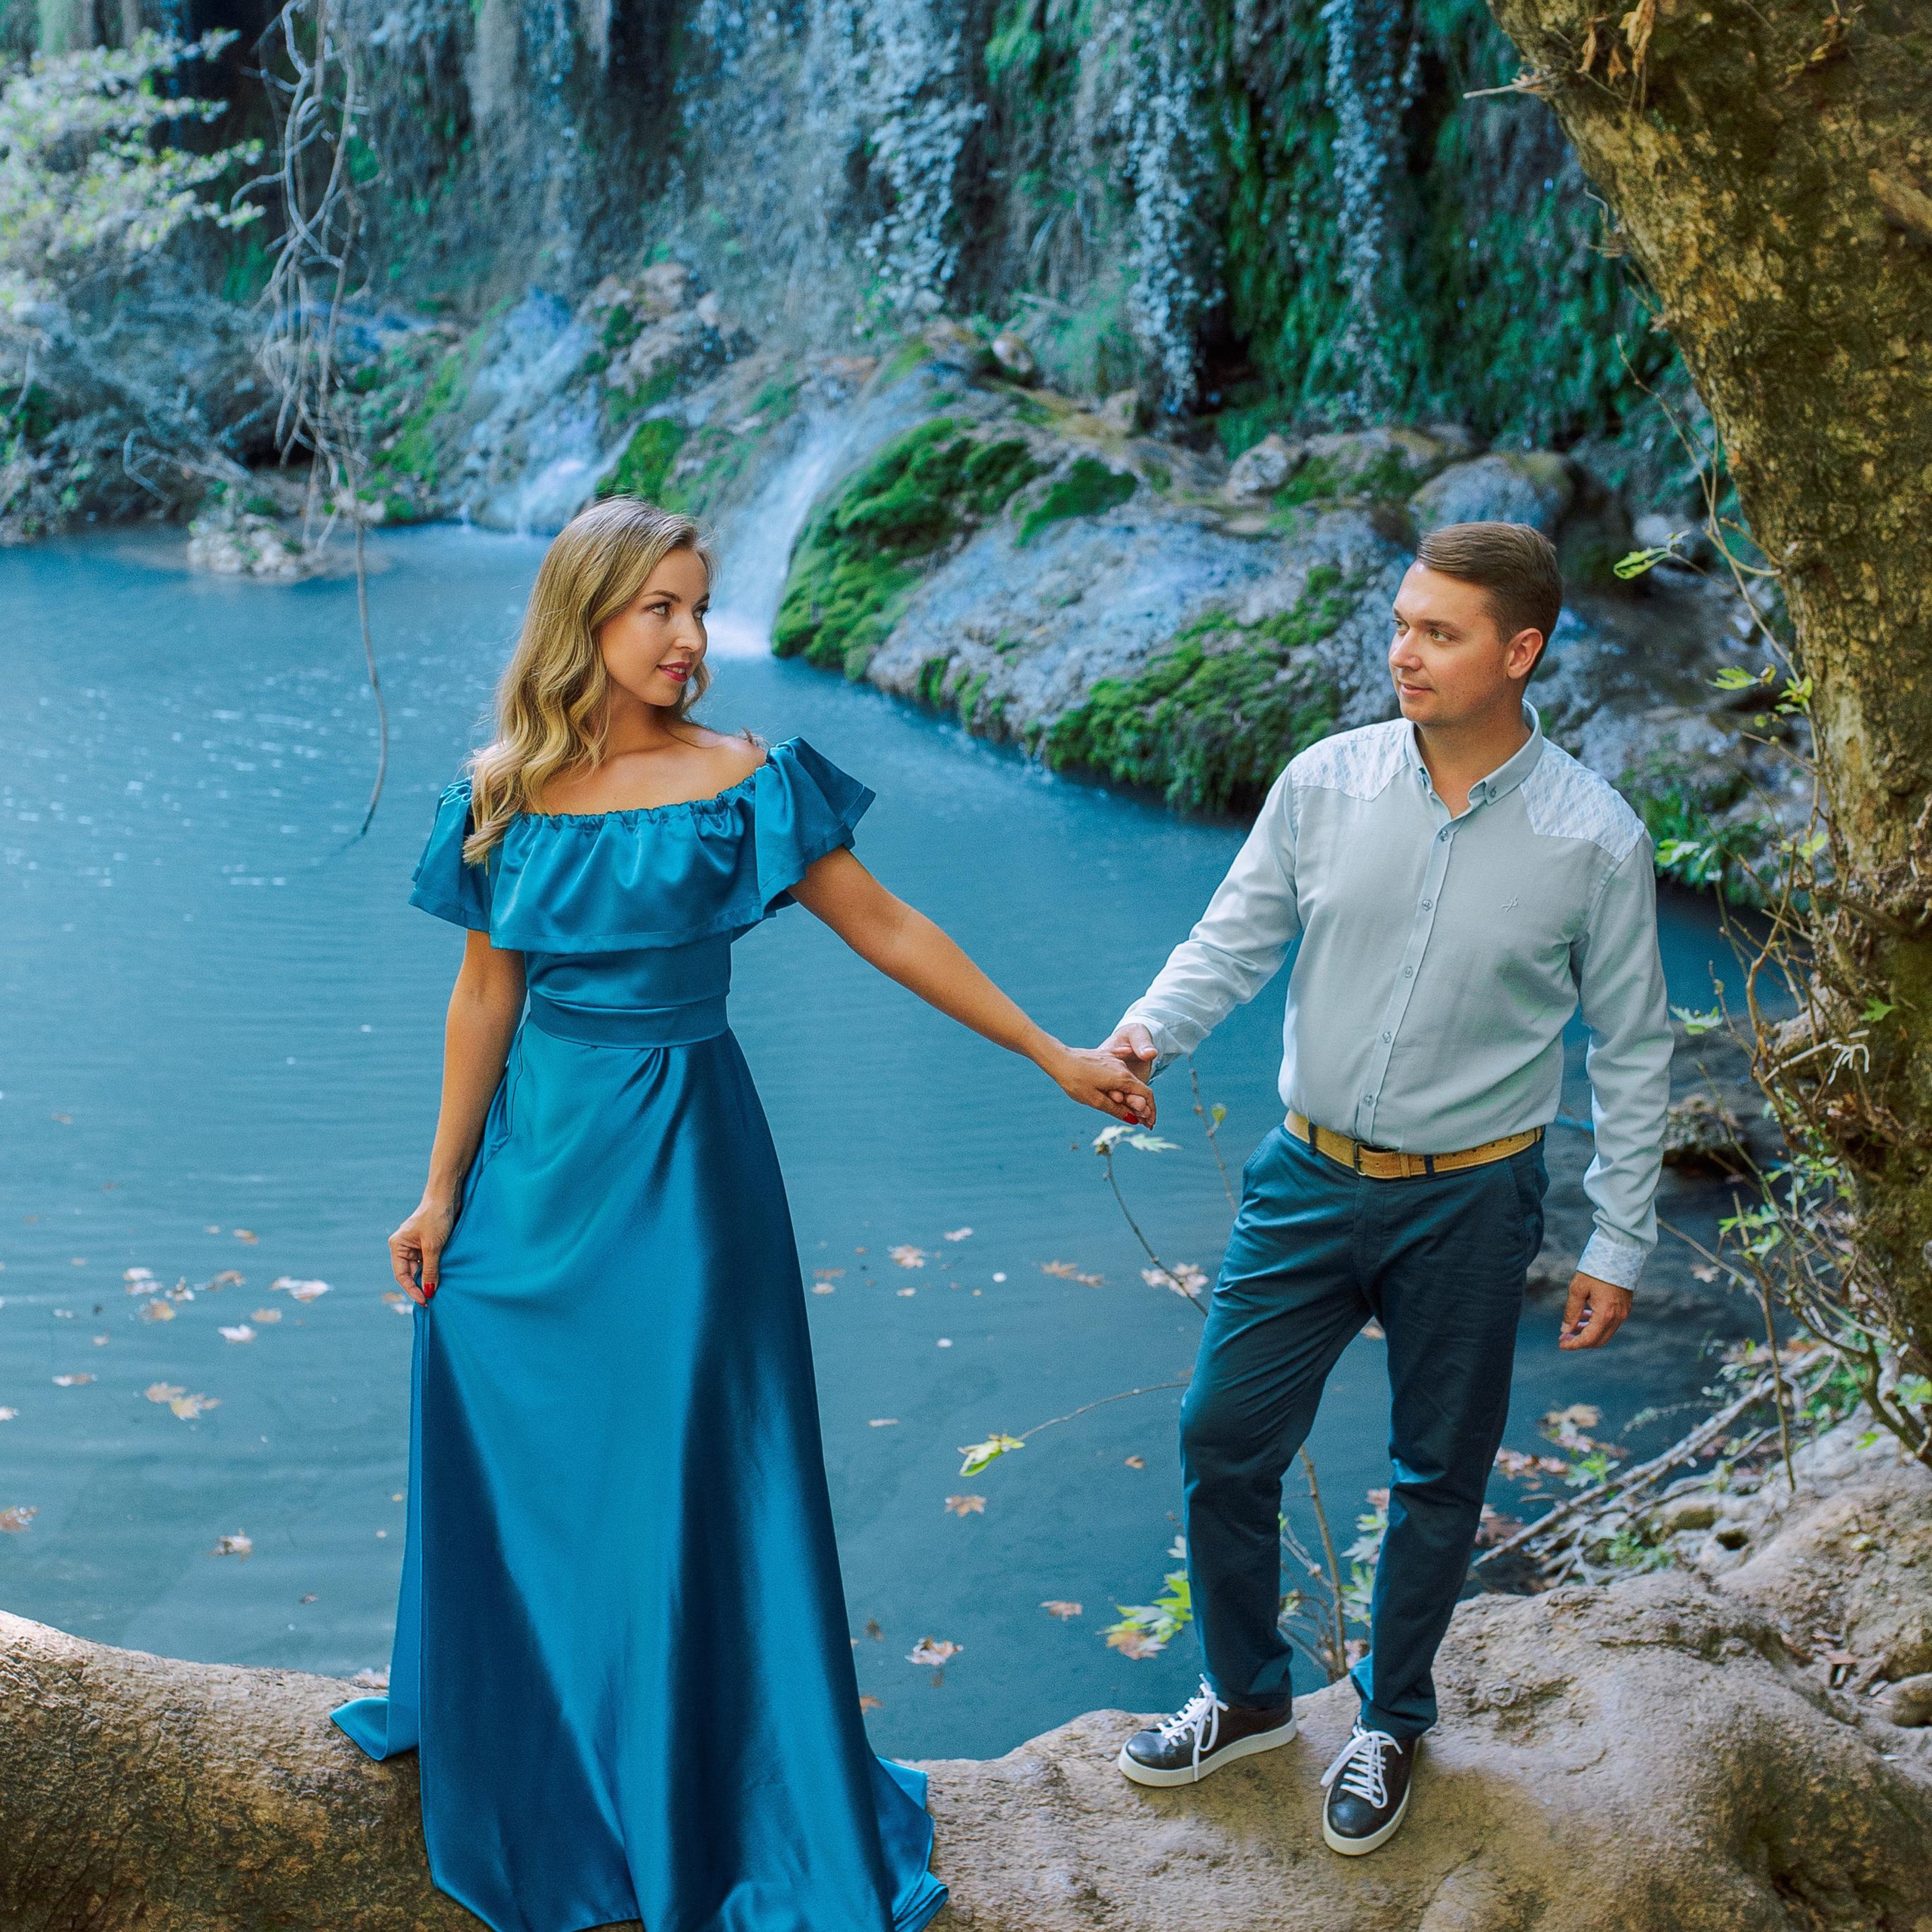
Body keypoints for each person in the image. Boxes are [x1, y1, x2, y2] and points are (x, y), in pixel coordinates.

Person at [329, 495, 1153, 1932]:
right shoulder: (503, 791)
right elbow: (485, 997)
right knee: (496, 1395)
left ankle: (706, 1788)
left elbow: (888, 924)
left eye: (701, 607)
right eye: (661, 607)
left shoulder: (742, 780)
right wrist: (442, 1184)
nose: (691, 637)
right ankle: (544, 1732)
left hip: (691, 1169)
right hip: (539, 1166)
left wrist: (1050, 1051)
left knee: (693, 1463)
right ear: (585, 616)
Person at [1101, 521, 1672, 1856]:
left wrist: (1620, 1241)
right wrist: (1143, 1038)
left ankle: (1390, 1720)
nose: (1403, 651)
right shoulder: (1325, 783)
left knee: (1437, 1472)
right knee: (1220, 1437)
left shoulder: (1596, 838)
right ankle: (1244, 1698)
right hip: (1305, 1176)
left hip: (1473, 1203)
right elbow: (1232, 936)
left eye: (1440, 632)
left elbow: (1635, 1050)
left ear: (1519, 653)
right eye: (1403, 622)